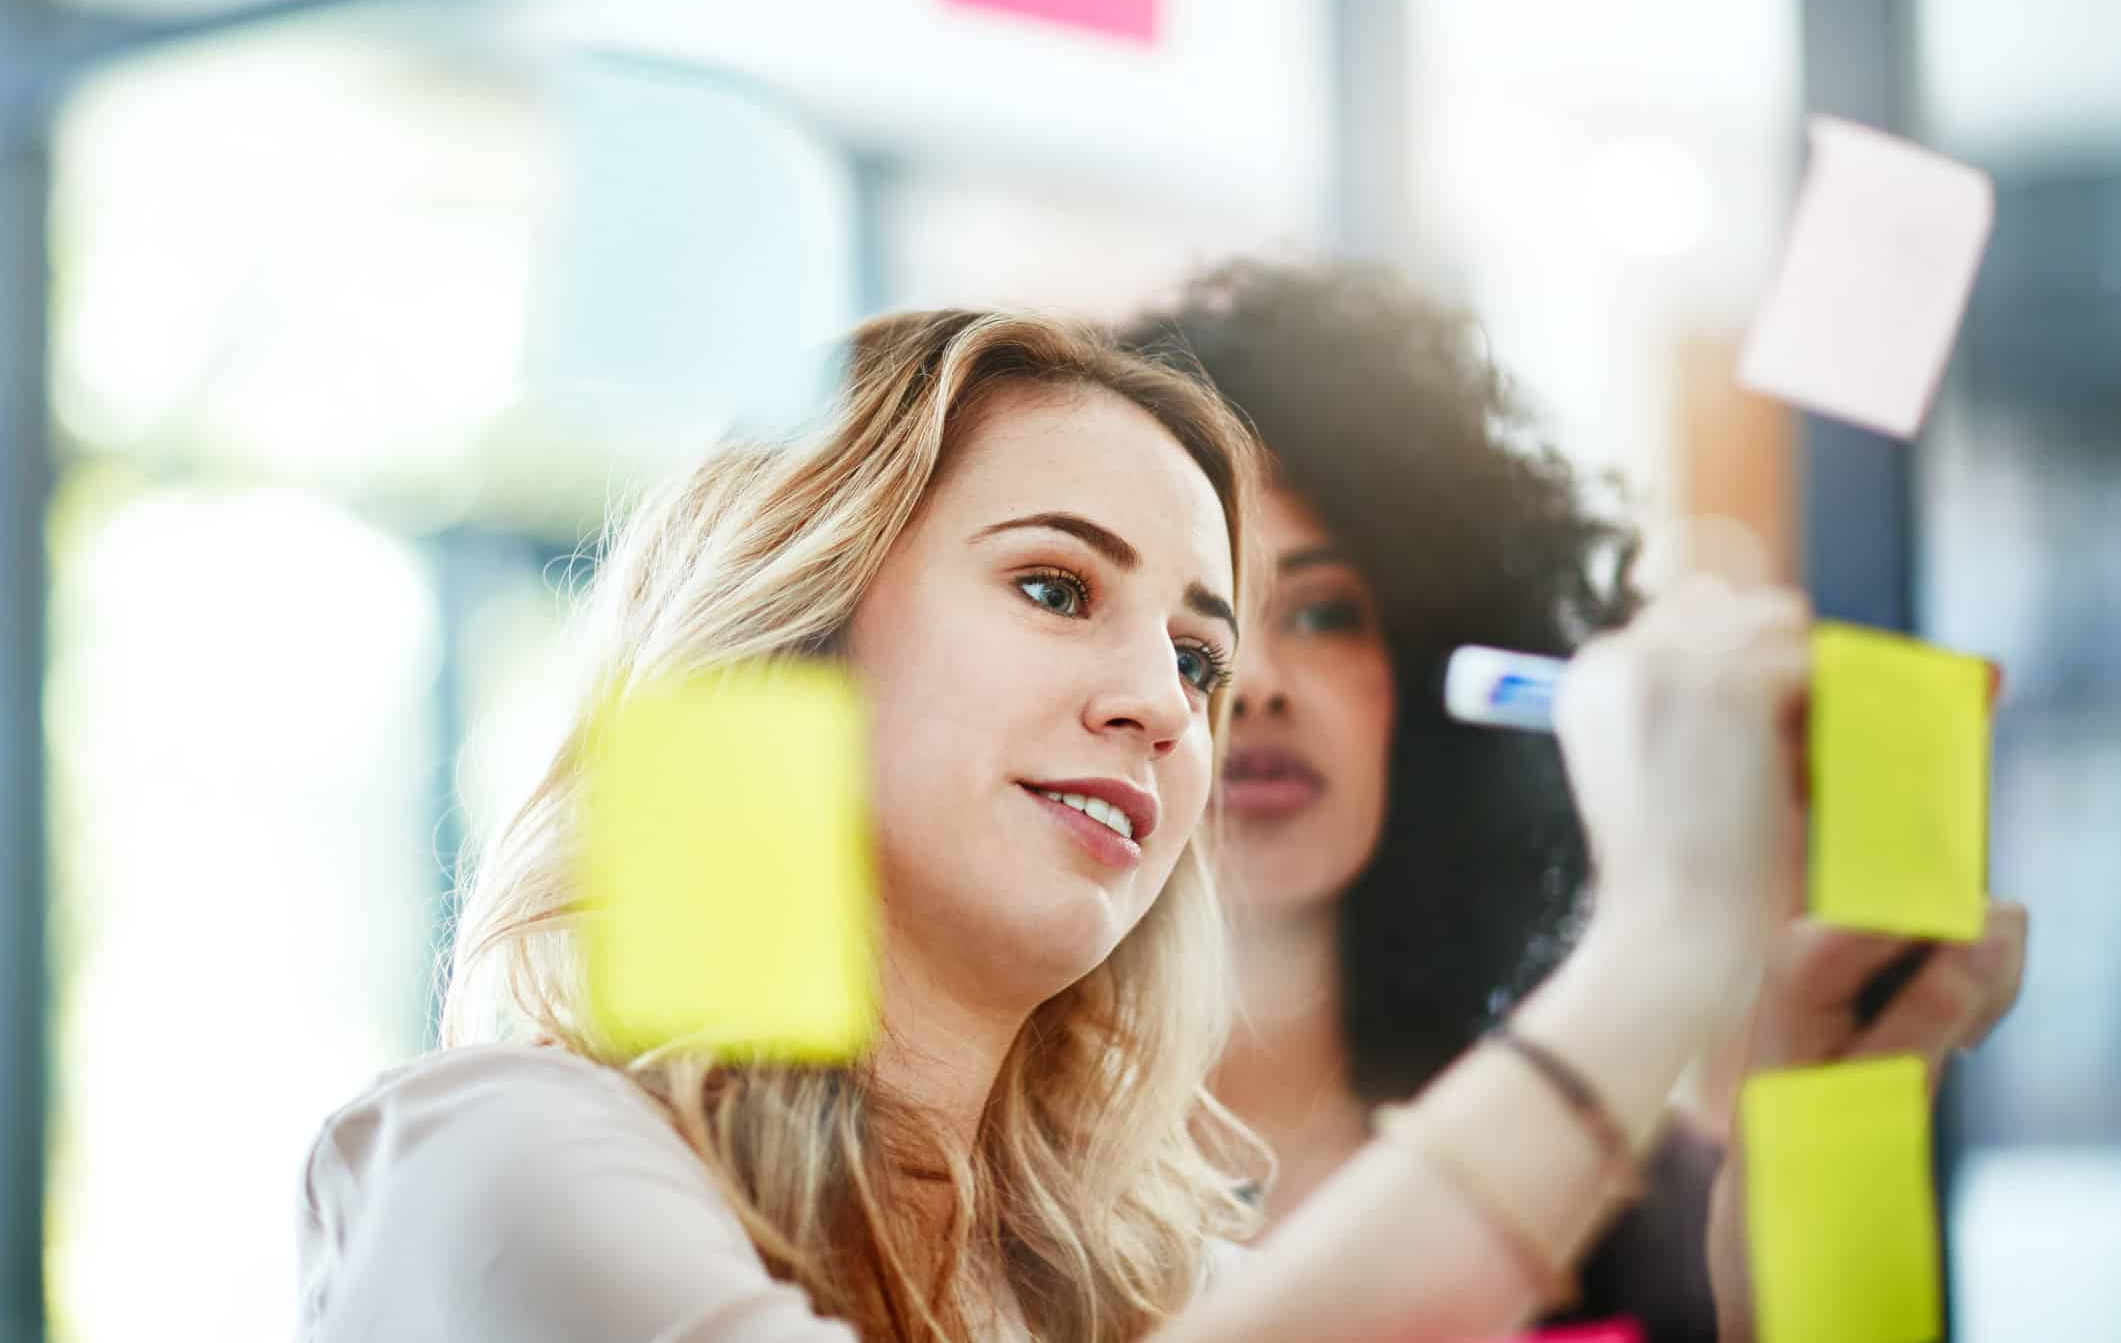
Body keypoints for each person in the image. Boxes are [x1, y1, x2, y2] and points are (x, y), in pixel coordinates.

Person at [300, 306, 1828, 1341]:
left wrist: (1822, 1085)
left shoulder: (1156, 1291)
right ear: (796, 639)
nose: (1168, 705)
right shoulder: (498, 1160)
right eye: (1054, 586)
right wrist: (1654, 949)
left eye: (1195, 657)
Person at [1120, 261, 2029, 1338]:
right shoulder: (976, 1185)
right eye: (1195, 632)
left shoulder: (1642, 1196)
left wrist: (1831, 1123)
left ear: (1422, 669)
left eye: (1325, 614)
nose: (1260, 681)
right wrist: (1670, 932)